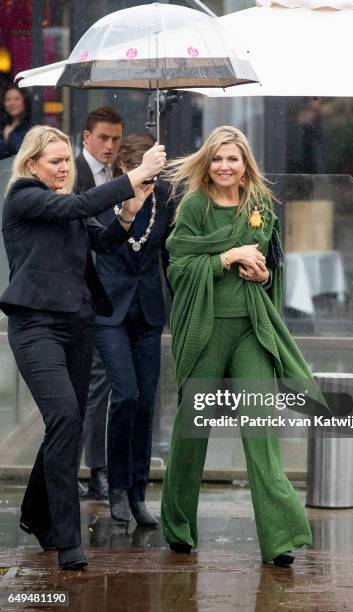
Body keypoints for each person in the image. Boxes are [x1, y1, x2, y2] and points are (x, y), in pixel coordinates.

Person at [160, 126, 329, 568]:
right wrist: (227, 256)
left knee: (261, 430)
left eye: (232, 159)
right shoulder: (195, 205)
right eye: (217, 158)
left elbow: (273, 266)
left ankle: (280, 538)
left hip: (251, 329)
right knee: (191, 430)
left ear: (244, 164)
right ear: (207, 162)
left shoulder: (260, 208)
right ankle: (178, 527)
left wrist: (264, 277)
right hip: (206, 328)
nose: (224, 166)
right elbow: (179, 264)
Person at [0, 125, 166, 570]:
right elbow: (78, 204)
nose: (63, 167)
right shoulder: (23, 196)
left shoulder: (68, 206)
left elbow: (105, 240)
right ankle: (67, 539)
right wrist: (134, 176)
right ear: (32, 164)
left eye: (66, 161)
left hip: (77, 326)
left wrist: (128, 214)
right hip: (35, 328)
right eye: (55, 161)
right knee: (67, 417)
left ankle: (36, 514)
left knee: (64, 426)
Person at [94, 133, 175, 526]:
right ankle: (117, 489)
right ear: (125, 167)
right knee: (123, 395)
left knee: (145, 402)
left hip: (147, 310)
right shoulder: (105, 199)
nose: (152, 176)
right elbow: (102, 247)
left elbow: (173, 255)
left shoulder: (165, 201)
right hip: (109, 312)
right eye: (145, 167)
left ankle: (139, 492)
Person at [75, 106, 124, 500]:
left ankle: (97, 470)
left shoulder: (120, 173)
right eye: (103, 138)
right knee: (87, 386)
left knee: (97, 384)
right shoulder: (71, 173)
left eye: (115, 139)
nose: (109, 146)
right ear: (86, 137)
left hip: (109, 298)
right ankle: (88, 469)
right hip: (79, 294)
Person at [0, 85, 33, 160]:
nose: (12, 103)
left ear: (24, 101)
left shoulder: (31, 128)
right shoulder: (2, 125)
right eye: (8, 99)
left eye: (16, 99)